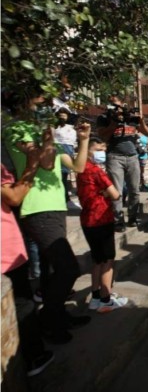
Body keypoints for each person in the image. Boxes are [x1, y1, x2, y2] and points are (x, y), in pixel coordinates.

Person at [3, 92, 92, 344]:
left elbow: (78, 167)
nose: (48, 107)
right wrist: (46, 130)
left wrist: (83, 140)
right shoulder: (17, 129)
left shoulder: (36, 129)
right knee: (68, 268)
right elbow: (45, 163)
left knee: (53, 269)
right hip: (37, 207)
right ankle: (49, 320)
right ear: (23, 102)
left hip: (54, 206)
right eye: (41, 103)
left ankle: (59, 316)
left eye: (48, 104)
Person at [1, 148, 55, 377]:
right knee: (23, 305)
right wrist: (32, 163)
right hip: (6, 252)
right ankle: (34, 357)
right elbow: (14, 196)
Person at [77, 137, 129, 313]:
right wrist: (106, 192)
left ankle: (96, 296)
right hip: (101, 219)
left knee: (97, 260)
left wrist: (102, 192)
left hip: (87, 220)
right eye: (99, 149)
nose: (102, 153)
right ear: (89, 150)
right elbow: (115, 195)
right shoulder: (97, 172)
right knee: (107, 261)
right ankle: (106, 299)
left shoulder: (81, 170)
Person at [97, 97, 148, 231]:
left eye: (118, 105)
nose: (116, 108)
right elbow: (102, 136)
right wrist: (114, 122)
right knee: (117, 191)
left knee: (134, 190)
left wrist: (141, 120)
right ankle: (118, 221)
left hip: (133, 157)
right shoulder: (104, 118)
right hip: (114, 157)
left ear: (122, 105)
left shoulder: (130, 117)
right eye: (112, 105)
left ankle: (133, 217)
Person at [52, 107, 80, 210]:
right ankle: (64, 198)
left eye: (64, 115)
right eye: (60, 115)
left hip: (68, 149)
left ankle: (65, 198)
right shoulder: (55, 127)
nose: (62, 116)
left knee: (64, 174)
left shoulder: (71, 127)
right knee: (60, 175)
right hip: (58, 148)